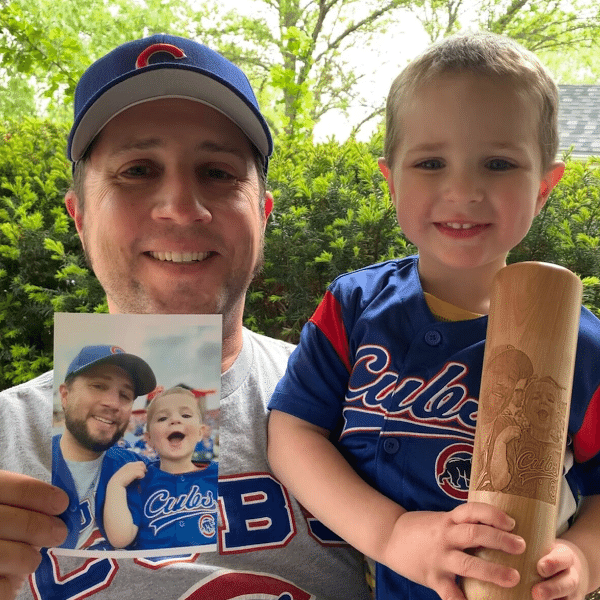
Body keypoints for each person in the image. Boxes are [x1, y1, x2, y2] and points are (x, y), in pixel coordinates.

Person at [0, 34, 371, 600]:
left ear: (263, 214)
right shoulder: (5, 434)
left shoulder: (366, 405)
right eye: (138, 169)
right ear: (78, 219)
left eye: (219, 173)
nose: (182, 206)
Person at [267, 32, 600, 600]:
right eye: (430, 162)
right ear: (390, 180)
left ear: (544, 187)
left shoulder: (578, 344)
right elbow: (292, 433)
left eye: (498, 163)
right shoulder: (352, 307)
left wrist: (584, 559)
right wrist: (393, 533)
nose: (463, 187)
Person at [53, 344, 157, 550]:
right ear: (65, 396)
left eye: (125, 395)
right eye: (98, 386)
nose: (113, 403)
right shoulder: (30, 461)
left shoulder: (141, 470)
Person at [103, 386, 219, 550]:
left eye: (185, 415)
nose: (175, 420)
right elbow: (120, 539)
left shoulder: (218, 475)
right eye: (162, 418)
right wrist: (116, 485)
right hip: (156, 572)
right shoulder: (140, 480)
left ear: (200, 432)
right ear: (149, 439)